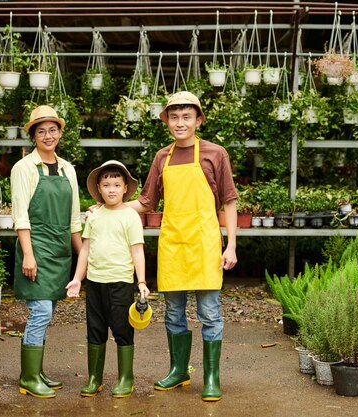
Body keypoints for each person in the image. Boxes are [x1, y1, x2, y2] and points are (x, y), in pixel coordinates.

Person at [127, 91, 238, 402]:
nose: (180, 122)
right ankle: (179, 371)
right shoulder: (162, 157)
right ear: (167, 121)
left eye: (186, 116)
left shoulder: (216, 154)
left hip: (205, 243)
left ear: (198, 120)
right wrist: (110, 206)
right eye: (174, 117)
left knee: (209, 313)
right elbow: (147, 201)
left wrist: (230, 246)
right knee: (173, 313)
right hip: (173, 243)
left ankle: (212, 377)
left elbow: (229, 201)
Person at [11, 105, 83, 399]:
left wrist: (84, 258)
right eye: (41, 131)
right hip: (36, 246)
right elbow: (21, 216)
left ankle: (36, 371)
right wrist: (28, 254)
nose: (48, 135)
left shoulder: (68, 168)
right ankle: (28, 377)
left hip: (59, 249)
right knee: (40, 311)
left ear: (60, 132)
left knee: (48, 310)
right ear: (33, 135)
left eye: (53, 129)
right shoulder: (24, 168)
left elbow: (74, 219)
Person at [65, 160, 150, 398]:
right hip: (95, 282)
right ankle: (95, 379)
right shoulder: (94, 216)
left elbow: (137, 251)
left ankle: (126, 378)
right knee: (95, 330)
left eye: (116, 184)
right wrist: (77, 279)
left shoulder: (131, 216)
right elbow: (85, 249)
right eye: (106, 185)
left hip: (121, 282)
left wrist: (141, 282)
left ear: (125, 188)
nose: (111, 189)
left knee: (122, 329)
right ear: (99, 189)